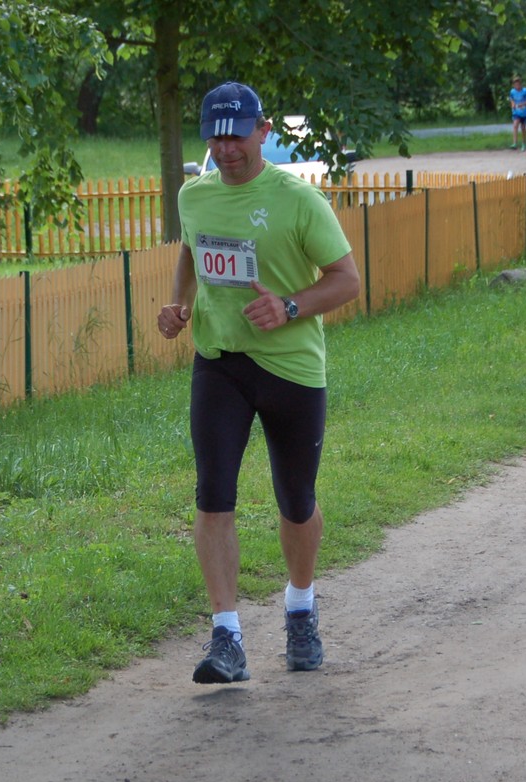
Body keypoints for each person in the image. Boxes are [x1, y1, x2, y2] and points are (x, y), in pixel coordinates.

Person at [157, 81, 360, 682]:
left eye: (237, 136)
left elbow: (347, 279)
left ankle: (300, 609)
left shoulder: (298, 200)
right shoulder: (194, 196)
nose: (226, 150)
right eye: (215, 139)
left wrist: (290, 307)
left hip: (291, 367)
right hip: (220, 362)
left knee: (296, 501)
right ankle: (227, 637)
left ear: (263, 132)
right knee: (213, 493)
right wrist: (179, 304)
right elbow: (191, 250)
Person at [509, 76, 526, 151]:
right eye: (515, 84)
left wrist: (523, 104)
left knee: (523, 128)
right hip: (516, 112)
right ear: (513, 85)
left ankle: (524, 143)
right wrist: (513, 104)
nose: (517, 86)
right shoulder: (512, 91)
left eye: (518, 84)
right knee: (515, 125)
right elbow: (511, 98)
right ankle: (515, 143)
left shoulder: (525, 91)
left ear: (520, 84)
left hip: (524, 112)